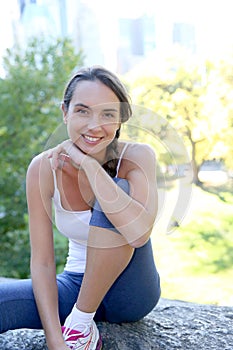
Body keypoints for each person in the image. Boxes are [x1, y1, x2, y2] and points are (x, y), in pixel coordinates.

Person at [0, 66, 161, 350]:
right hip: (74, 283)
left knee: (116, 192)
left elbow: (138, 234)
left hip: (131, 290)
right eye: (83, 111)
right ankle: (76, 324)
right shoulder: (43, 168)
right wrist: (55, 339)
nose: (94, 125)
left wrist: (87, 164)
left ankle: (80, 324)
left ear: (120, 119)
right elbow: (43, 262)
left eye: (107, 114)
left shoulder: (138, 157)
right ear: (65, 112)